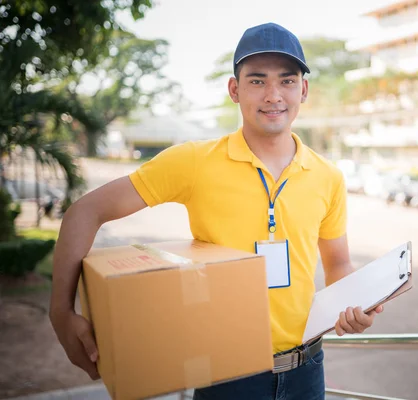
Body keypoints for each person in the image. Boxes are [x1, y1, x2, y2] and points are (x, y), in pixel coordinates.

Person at [49, 22, 383, 400]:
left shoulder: (328, 176)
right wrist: (61, 312)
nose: (273, 94)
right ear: (234, 90)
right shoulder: (194, 162)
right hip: (227, 378)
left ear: (303, 90)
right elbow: (84, 212)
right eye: (257, 81)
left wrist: (355, 301)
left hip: (307, 371)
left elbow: (337, 262)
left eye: (287, 81)